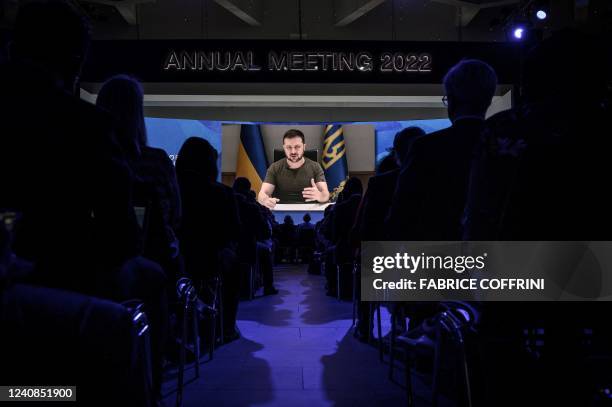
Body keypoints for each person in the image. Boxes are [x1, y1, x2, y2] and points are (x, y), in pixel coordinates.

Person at [386, 59, 498, 241]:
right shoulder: (508, 144)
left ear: (452, 100)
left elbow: (402, 214)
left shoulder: (426, 148)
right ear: (488, 99)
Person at [96, 75, 182, 283]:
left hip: (93, 261)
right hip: (154, 258)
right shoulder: (157, 161)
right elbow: (174, 216)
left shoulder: (89, 160)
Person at [175, 137, 242, 342]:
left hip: (175, 260)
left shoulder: (172, 187)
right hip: (208, 261)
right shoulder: (222, 193)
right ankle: (226, 328)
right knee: (234, 268)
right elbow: (233, 232)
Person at [258, 129, 330, 208]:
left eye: (297, 147)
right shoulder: (274, 167)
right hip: (282, 213)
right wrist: (265, 200)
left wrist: (320, 196)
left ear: (304, 147)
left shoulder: (315, 167)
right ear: (284, 148)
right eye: (289, 147)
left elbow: (325, 194)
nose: (293, 151)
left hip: (309, 211)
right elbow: (263, 193)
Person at [232, 177, 277, 295]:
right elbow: (265, 232)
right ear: (248, 190)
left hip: (222, 248)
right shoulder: (251, 207)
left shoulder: (223, 200)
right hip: (245, 247)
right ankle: (268, 287)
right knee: (266, 251)